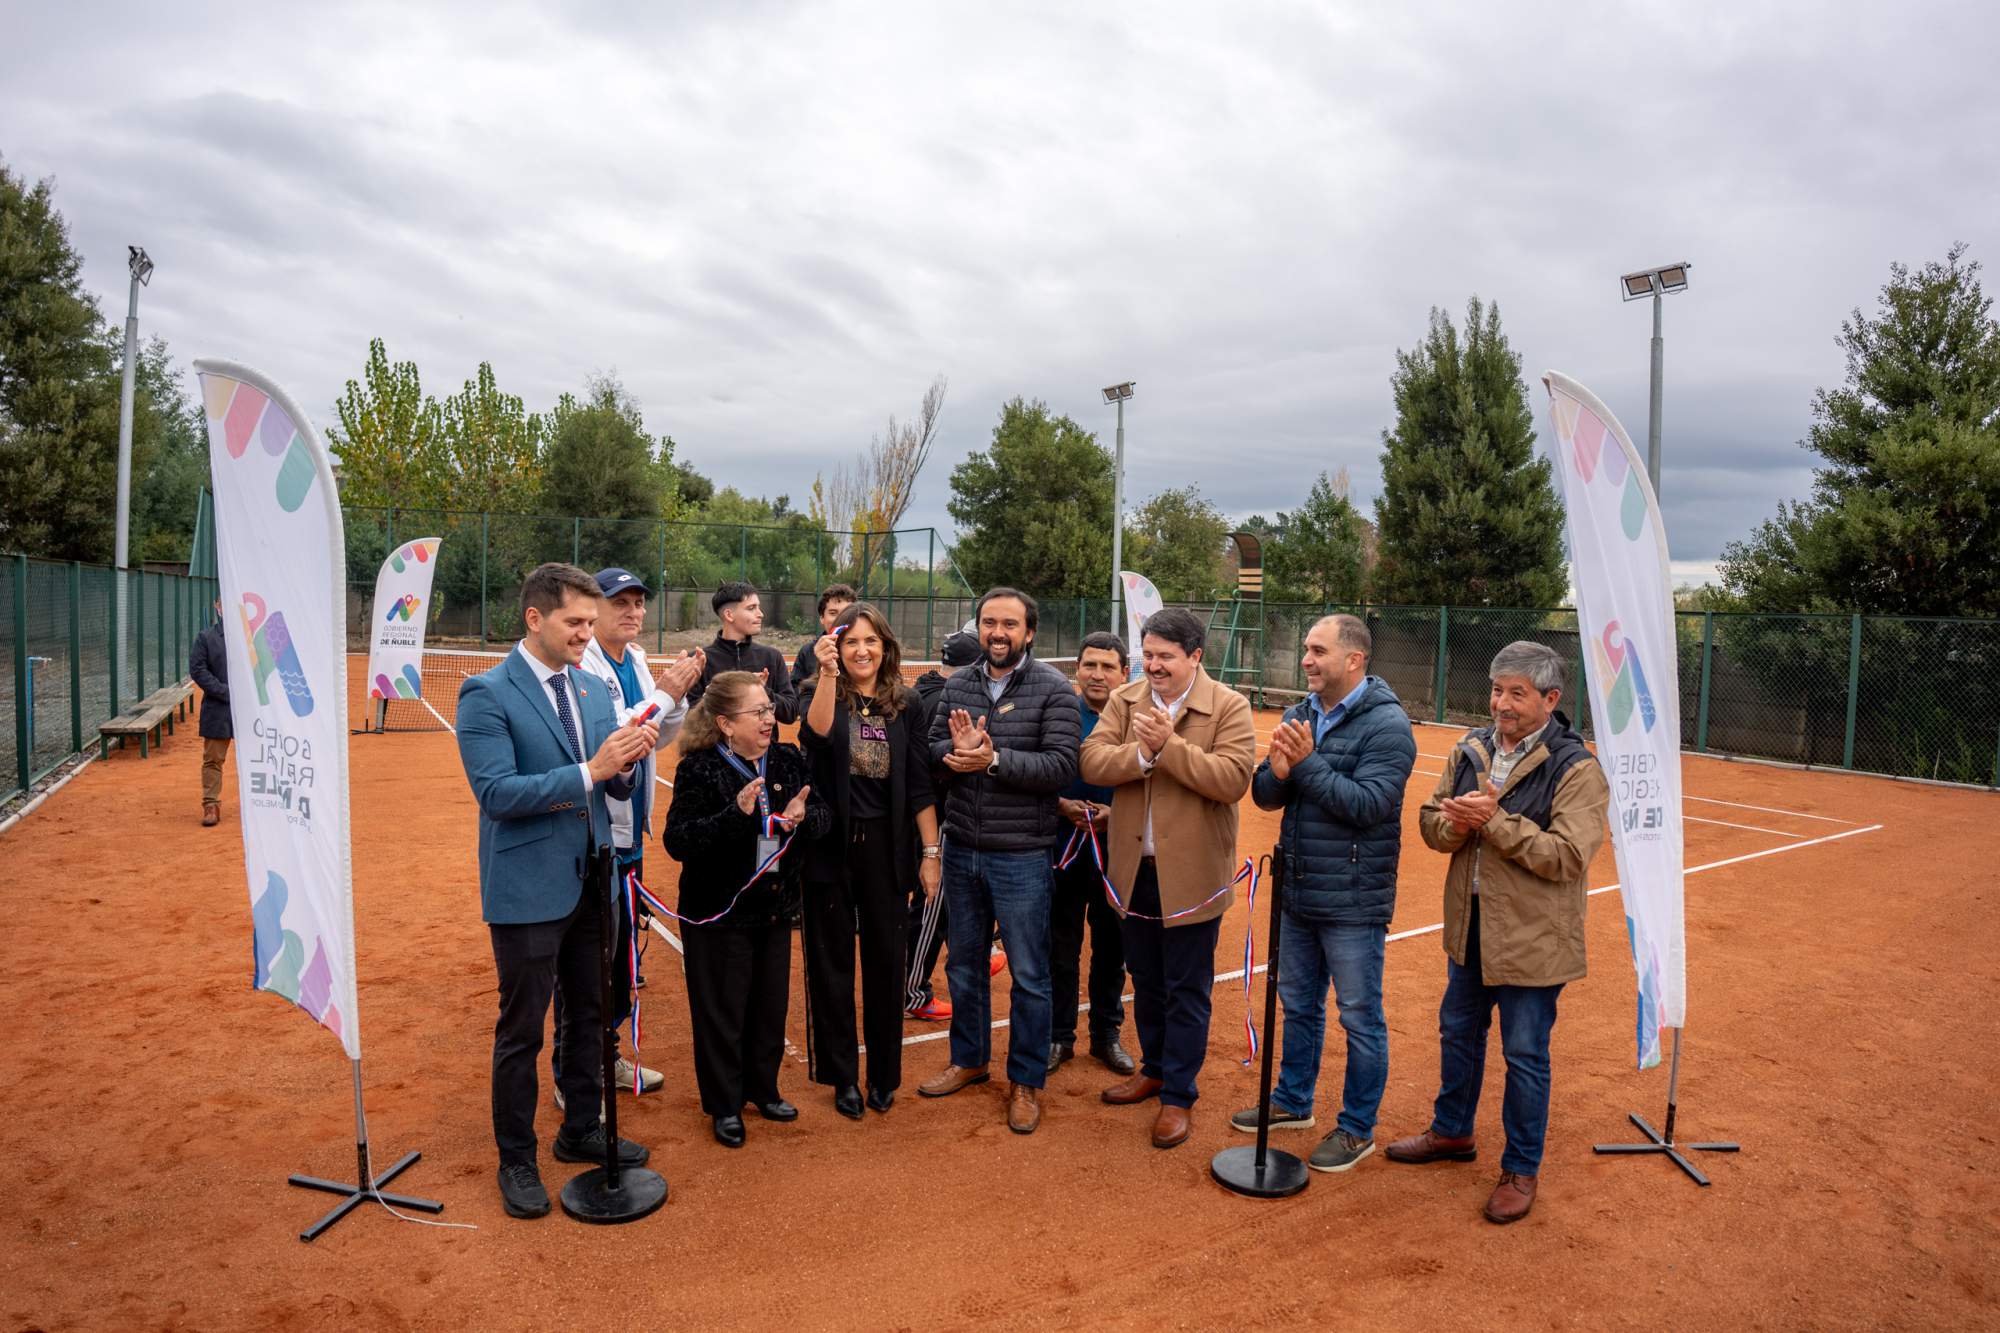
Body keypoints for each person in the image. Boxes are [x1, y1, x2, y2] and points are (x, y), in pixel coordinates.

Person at [455, 562, 659, 1219]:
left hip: (593, 880)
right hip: (526, 891)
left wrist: (626, 762)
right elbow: (496, 793)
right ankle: (516, 1156)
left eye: (589, 622)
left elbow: (612, 786)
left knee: (591, 1013)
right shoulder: (485, 694)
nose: (587, 633)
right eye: (576, 622)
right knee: (522, 1028)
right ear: (535, 618)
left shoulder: (594, 689)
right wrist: (591, 769)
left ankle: (580, 1129)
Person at [1387, 640, 1609, 1225]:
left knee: (1525, 1053)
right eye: (1496, 690)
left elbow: (1567, 857)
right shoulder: (1472, 748)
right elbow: (1432, 820)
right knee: (1458, 1034)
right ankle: (1453, 1133)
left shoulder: (1576, 767)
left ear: (1551, 699)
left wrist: (1495, 822)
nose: (1501, 704)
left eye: (1516, 693)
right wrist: (1455, 826)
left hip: (1535, 939)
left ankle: (1521, 1168)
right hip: (1471, 926)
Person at [1237, 614, 1416, 1173]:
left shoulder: (1388, 726)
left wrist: (1306, 764)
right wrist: (1282, 770)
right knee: (1298, 1005)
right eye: (1307, 651)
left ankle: (1357, 1127)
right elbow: (1266, 794)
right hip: (1299, 890)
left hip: (1355, 899)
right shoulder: (1299, 713)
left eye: (1318, 651)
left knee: (1360, 1015)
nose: (1307, 660)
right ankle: (1293, 1101)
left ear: (1354, 660)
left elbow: (1368, 805)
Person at [1080, 608, 1256, 1149]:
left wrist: (1168, 748)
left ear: (1195, 656)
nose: (1153, 666)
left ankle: (1178, 1094)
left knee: (1187, 988)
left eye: (1165, 657)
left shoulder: (1229, 705)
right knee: (1146, 980)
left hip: (1194, 875)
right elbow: (1092, 761)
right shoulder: (1124, 700)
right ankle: (1154, 1069)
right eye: (1148, 656)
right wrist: (1141, 754)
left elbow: (1231, 779)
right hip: (1134, 871)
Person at [917, 588, 1079, 1135]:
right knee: (963, 965)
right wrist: (956, 755)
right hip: (962, 847)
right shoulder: (959, 682)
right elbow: (933, 747)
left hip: (1023, 857)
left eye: (1009, 624)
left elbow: (1059, 766)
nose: (998, 633)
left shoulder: (1055, 690)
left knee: (1030, 975)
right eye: (989, 623)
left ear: (1029, 632)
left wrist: (993, 761)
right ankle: (970, 1060)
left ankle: (1027, 1081)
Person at [548, 567, 704, 1105]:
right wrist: (663, 694)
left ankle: (605, 1056)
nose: (634, 611)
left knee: (618, 960)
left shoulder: (635, 659)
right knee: (585, 962)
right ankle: (572, 1074)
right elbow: (613, 735)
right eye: (621, 602)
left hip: (631, 836)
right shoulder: (582, 663)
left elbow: (661, 735)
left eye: (639, 602)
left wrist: (674, 698)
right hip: (595, 838)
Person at [663, 671, 829, 1149]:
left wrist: (803, 818)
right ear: (725, 724)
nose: (769, 719)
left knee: (768, 1006)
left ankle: (763, 1089)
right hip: (717, 914)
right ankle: (724, 1104)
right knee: (721, 1011)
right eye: (756, 712)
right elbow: (679, 841)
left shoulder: (787, 758)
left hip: (775, 909)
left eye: (769, 709)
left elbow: (822, 816)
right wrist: (734, 816)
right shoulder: (700, 768)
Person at [799, 603, 941, 1117]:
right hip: (830, 849)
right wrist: (827, 675)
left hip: (888, 849)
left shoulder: (907, 703)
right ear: (837, 647)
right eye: (851, 641)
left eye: (871, 641)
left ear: (885, 648)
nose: (862, 650)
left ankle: (883, 1075)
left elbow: (922, 782)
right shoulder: (823, 691)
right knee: (831, 963)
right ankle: (843, 1079)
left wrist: (930, 853)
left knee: (886, 962)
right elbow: (813, 737)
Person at [1049, 631, 1134, 1076]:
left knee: (1111, 950)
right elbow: (1039, 773)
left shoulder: (1141, 718)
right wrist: (1060, 806)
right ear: (1076, 670)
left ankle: (1106, 1037)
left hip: (1117, 854)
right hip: (1062, 850)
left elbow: (1152, 788)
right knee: (1059, 948)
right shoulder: (1059, 713)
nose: (1097, 675)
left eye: (1107, 667)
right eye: (1089, 666)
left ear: (1124, 672)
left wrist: (1114, 815)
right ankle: (1059, 1037)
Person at [903, 628, 985, 1021]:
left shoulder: (919, 689)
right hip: (934, 819)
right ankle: (913, 990)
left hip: (914, 816)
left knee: (939, 901)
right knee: (931, 904)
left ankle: (979, 952)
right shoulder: (952, 703)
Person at [686, 581, 799, 723]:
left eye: (759, 607)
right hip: (713, 745)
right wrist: (716, 696)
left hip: (765, 746)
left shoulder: (772, 657)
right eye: (751, 608)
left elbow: (791, 713)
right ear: (729, 615)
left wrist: (763, 690)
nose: (760, 614)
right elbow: (689, 718)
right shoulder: (699, 660)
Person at [189, 603, 231, 827]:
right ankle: (211, 805)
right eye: (223, 602)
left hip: (253, 710)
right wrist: (225, 692)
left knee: (265, 755)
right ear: (217, 606)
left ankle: (268, 804)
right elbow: (197, 670)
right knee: (213, 759)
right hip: (219, 709)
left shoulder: (252, 637)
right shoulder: (206, 638)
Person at [790, 583, 857, 693]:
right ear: (822, 618)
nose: (840, 618)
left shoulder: (864, 651)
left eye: (846, 613)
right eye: (833, 613)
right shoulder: (808, 652)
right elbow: (795, 692)